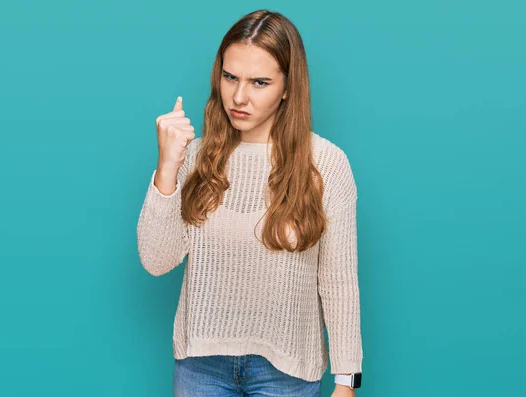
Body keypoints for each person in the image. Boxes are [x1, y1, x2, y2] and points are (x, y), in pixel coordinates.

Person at [137, 9, 363, 397]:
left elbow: (339, 280)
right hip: (200, 366)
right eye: (230, 77)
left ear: (288, 87)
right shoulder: (196, 157)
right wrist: (168, 167)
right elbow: (157, 260)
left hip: (287, 372)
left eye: (259, 82)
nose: (238, 97)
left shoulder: (326, 164)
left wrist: (347, 381)